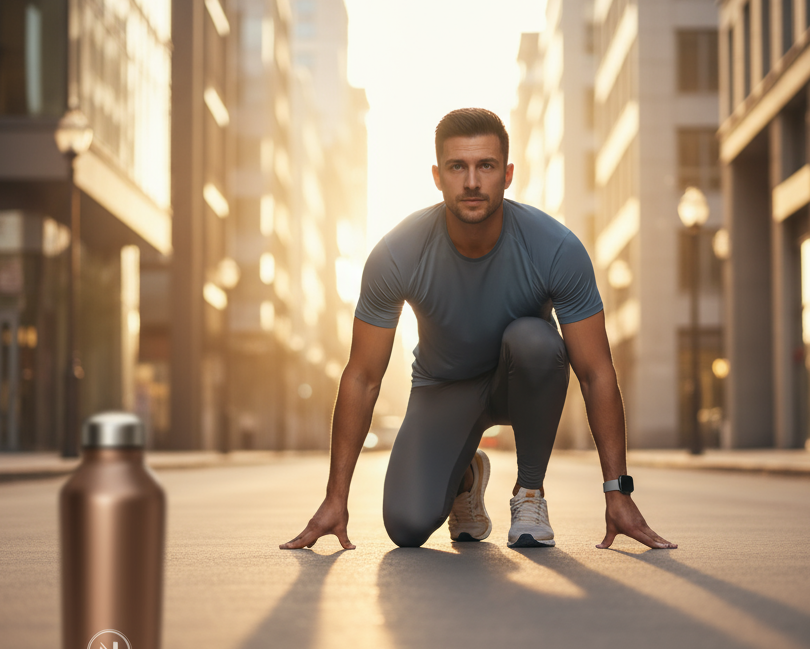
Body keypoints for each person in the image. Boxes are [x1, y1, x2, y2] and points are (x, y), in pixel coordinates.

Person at [281, 108, 675, 552]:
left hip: (521, 377)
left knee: (537, 341)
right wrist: (336, 498)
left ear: (506, 175)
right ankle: (466, 475)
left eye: (485, 166)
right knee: (406, 526)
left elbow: (597, 372)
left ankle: (529, 493)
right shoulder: (397, 253)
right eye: (457, 167)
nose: (472, 182)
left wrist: (617, 492)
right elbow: (362, 376)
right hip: (442, 388)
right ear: (437, 176)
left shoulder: (555, 248)